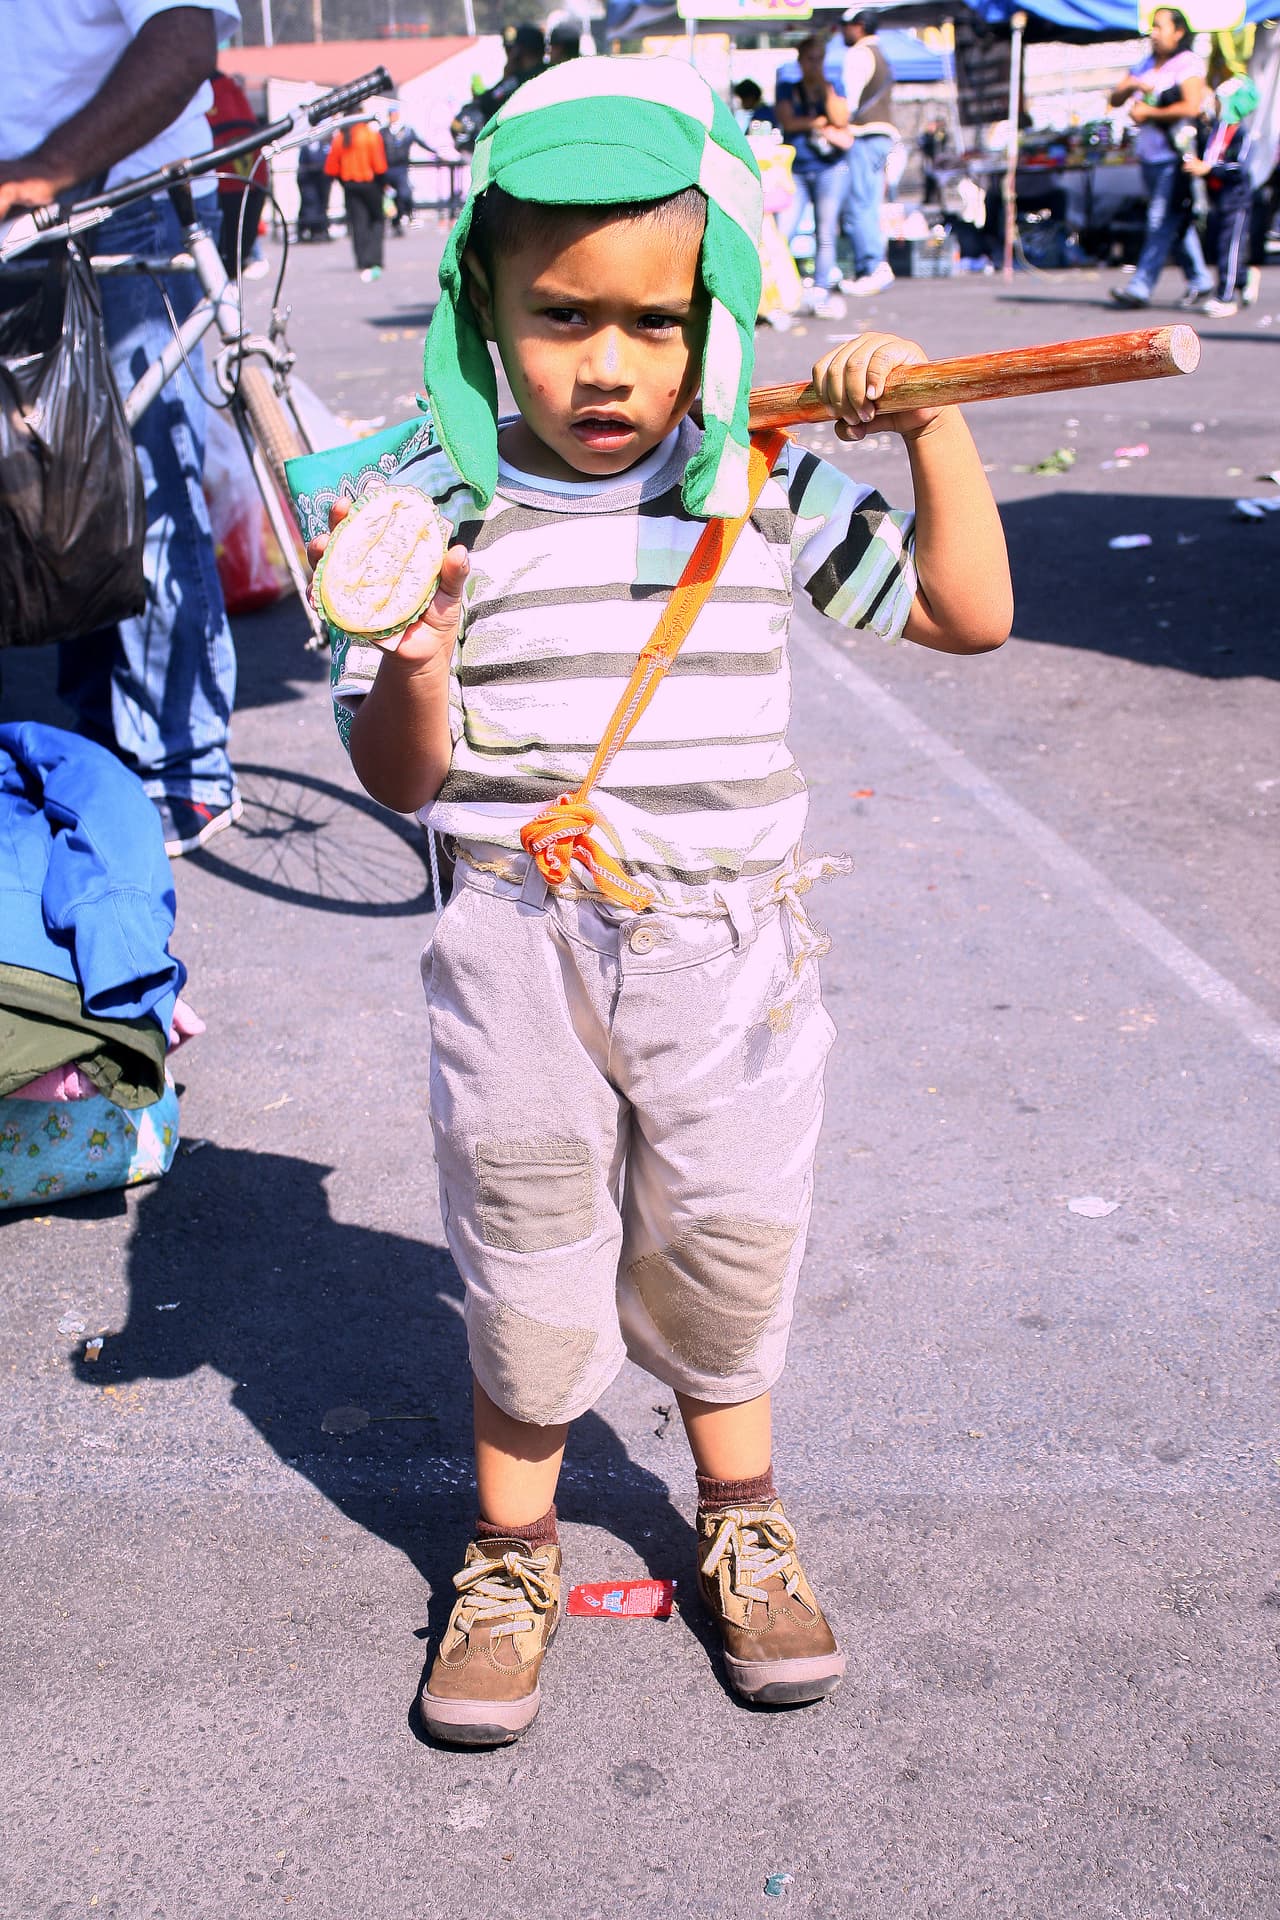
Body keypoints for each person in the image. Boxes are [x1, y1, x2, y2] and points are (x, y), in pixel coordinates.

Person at [306, 57, 1011, 1747]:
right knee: (527, 1248)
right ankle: (510, 1554)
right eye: (559, 317)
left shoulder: (754, 483)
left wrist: (930, 423)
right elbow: (400, 780)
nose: (607, 364)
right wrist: (413, 654)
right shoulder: (427, 504)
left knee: (729, 1237)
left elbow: (968, 614)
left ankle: (742, 1523)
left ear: (713, 319)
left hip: (726, 951)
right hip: (511, 943)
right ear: (481, 299)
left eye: (652, 321)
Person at [0, 0, 243, 858]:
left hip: (122, 202)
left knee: (140, 485)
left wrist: (50, 167)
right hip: (17, 214)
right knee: (46, 496)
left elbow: (184, 33)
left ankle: (181, 766)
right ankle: (96, 735)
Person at [1108, 7, 1215, 309]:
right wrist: (1130, 85)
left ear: (1178, 32)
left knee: (1159, 220)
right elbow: (1114, 97)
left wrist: (1148, 112)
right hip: (1150, 157)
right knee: (1173, 222)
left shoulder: (1187, 64)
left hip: (1175, 156)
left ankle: (1140, 287)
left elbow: (1192, 107)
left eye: (1160, 27)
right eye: (1152, 28)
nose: (1154, 33)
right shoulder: (1143, 64)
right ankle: (1201, 280)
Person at [775, 33, 852, 316]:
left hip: (830, 168)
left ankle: (821, 287)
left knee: (826, 229)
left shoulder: (833, 85)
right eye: (810, 59)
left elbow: (841, 118)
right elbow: (789, 121)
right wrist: (820, 121)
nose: (815, 64)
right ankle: (784, 286)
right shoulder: (787, 88)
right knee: (784, 230)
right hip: (797, 168)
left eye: (820, 59)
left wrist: (824, 87)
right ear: (800, 60)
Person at [1184, 73, 1259, 316]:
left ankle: (1225, 297)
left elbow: (1239, 167)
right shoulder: (1215, 131)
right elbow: (1208, 159)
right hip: (1218, 197)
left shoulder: (1241, 134)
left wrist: (1210, 168)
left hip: (1237, 198)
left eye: (1219, 101)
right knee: (1221, 245)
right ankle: (1245, 278)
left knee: (1230, 246)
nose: (1214, 105)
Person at [837, 10, 899, 297]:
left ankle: (872, 267)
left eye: (846, 26)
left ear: (858, 27)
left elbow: (849, 101)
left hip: (864, 134)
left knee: (858, 205)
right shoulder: (882, 53)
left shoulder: (859, 55)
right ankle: (875, 264)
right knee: (870, 203)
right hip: (884, 135)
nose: (841, 32)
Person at [207, 66, 268, 279]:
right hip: (253, 180)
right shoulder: (234, 93)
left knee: (213, 266)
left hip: (220, 186)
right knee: (232, 264)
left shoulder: (201, 93)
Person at [449, 22, 546, 156]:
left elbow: (487, 102)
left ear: (519, 51)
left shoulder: (518, 79)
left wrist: (507, 75)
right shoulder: (553, 71)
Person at [325, 118, 388, 283]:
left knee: (358, 222)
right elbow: (379, 165)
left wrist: (344, 182)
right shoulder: (370, 135)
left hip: (350, 184)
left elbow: (332, 166)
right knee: (376, 220)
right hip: (370, 182)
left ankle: (362, 259)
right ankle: (375, 258)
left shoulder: (341, 137)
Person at [381, 106, 428, 235]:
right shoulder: (383, 132)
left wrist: (437, 152)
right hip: (387, 169)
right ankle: (395, 222)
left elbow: (421, 142)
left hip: (401, 168)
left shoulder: (407, 131)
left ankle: (404, 215)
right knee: (390, 198)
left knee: (404, 194)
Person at [295, 132, 332, 241]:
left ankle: (320, 229)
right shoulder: (307, 144)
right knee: (310, 203)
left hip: (322, 176)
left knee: (322, 203)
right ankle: (309, 229)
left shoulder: (325, 142)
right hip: (308, 177)